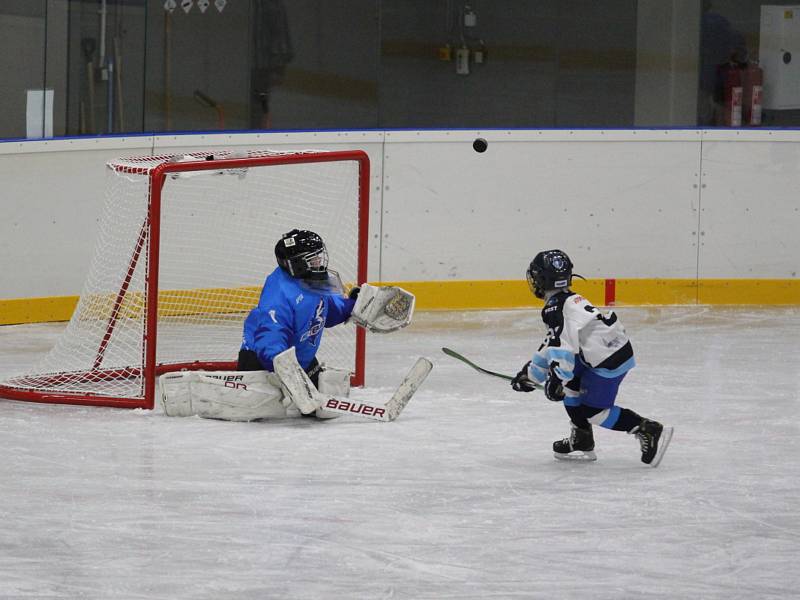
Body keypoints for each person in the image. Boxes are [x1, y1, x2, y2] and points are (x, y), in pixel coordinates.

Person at [510, 249, 673, 467]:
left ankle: (646, 428)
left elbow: (562, 348)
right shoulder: (565, 301)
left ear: (540, 279)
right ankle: (582, 438)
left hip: (608, 361)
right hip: (603, 352)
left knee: (592, 410)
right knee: (569, 385)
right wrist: (531, 375)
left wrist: (557, 379)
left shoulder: (555, 308)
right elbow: (552, 345)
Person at [238, 228, 357, 401]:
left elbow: (328, 312)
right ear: (298, 264)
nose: (319, 262)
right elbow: (270, 337)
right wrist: (287, 372)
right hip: (264, 363)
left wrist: (355, 305)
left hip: (301, 360)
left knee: (320, 406)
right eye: (313, 259)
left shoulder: (312, 280)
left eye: (319, 256)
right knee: (262, 413)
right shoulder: (279, 294)